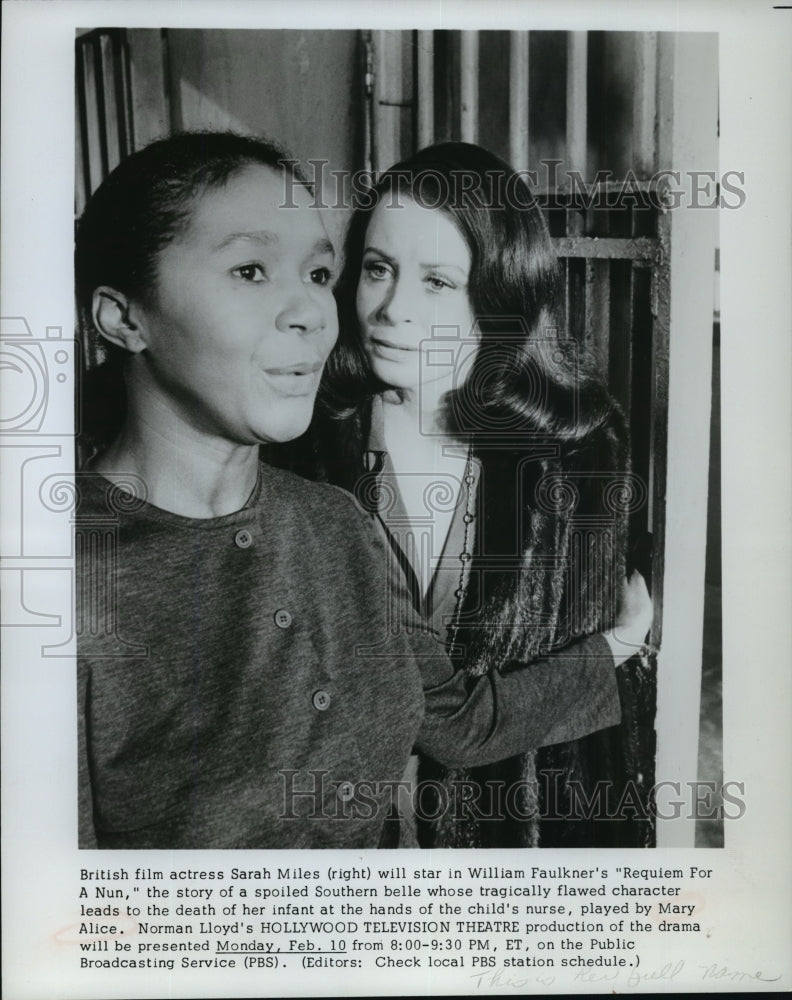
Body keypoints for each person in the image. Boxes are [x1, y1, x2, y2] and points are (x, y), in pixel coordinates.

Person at [75, 131, 650, 850]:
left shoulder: (334, 523)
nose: (368, 310)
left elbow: (457, 720)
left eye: (318, 276)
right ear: (122, 316)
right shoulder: (71, 570)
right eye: (251, 270)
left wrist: (615, 647)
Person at [278, 141, 654, 847]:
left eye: (438, 282)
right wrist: (619, 645)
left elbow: (580, 742)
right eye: (379, 269)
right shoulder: (303, 441)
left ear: (500, 295)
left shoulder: (576, 454)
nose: (392, 309)